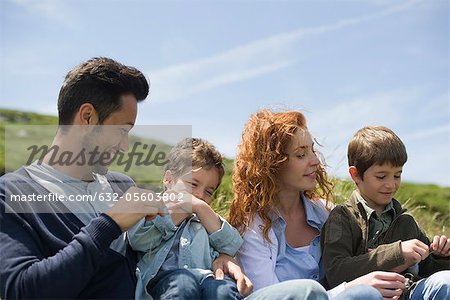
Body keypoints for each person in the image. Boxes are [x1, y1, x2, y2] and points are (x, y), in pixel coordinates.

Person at [0, 57, 167, 299]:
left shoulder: (122, 186)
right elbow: (23, 289)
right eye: (121, 130)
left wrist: (220, 256)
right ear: (87, 117)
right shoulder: (11, 193)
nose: (124, 147)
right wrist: (109, 224)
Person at [228, 109, 406, 300]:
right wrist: (351, 287)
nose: (315, 161)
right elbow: (268, 294)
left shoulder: (326, 212)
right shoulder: (251, 226)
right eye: (301, 154)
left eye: (312, 150)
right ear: (272, 163)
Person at [321, 125, 450, 299]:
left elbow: (429, 270)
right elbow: (336, 272)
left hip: (409, 293)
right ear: (356, 175)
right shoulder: (343, 216)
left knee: (446, 281)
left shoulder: (406, 221)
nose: (391, 184)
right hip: (366, 295)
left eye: (397, 175)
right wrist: (397, 253)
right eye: (381, 176)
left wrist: (441, 256)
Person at [128, 138, 243, 300]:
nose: (200, 195)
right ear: (169, 179)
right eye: (193, 184)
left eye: (209, 192)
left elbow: (232, 245)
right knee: (183, 283)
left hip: (205, 278)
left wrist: (200, 208)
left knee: (223, 290)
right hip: (165, 283)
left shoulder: (205, 217)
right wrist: (175, 215)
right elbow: (138, 240)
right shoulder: (152, 208)